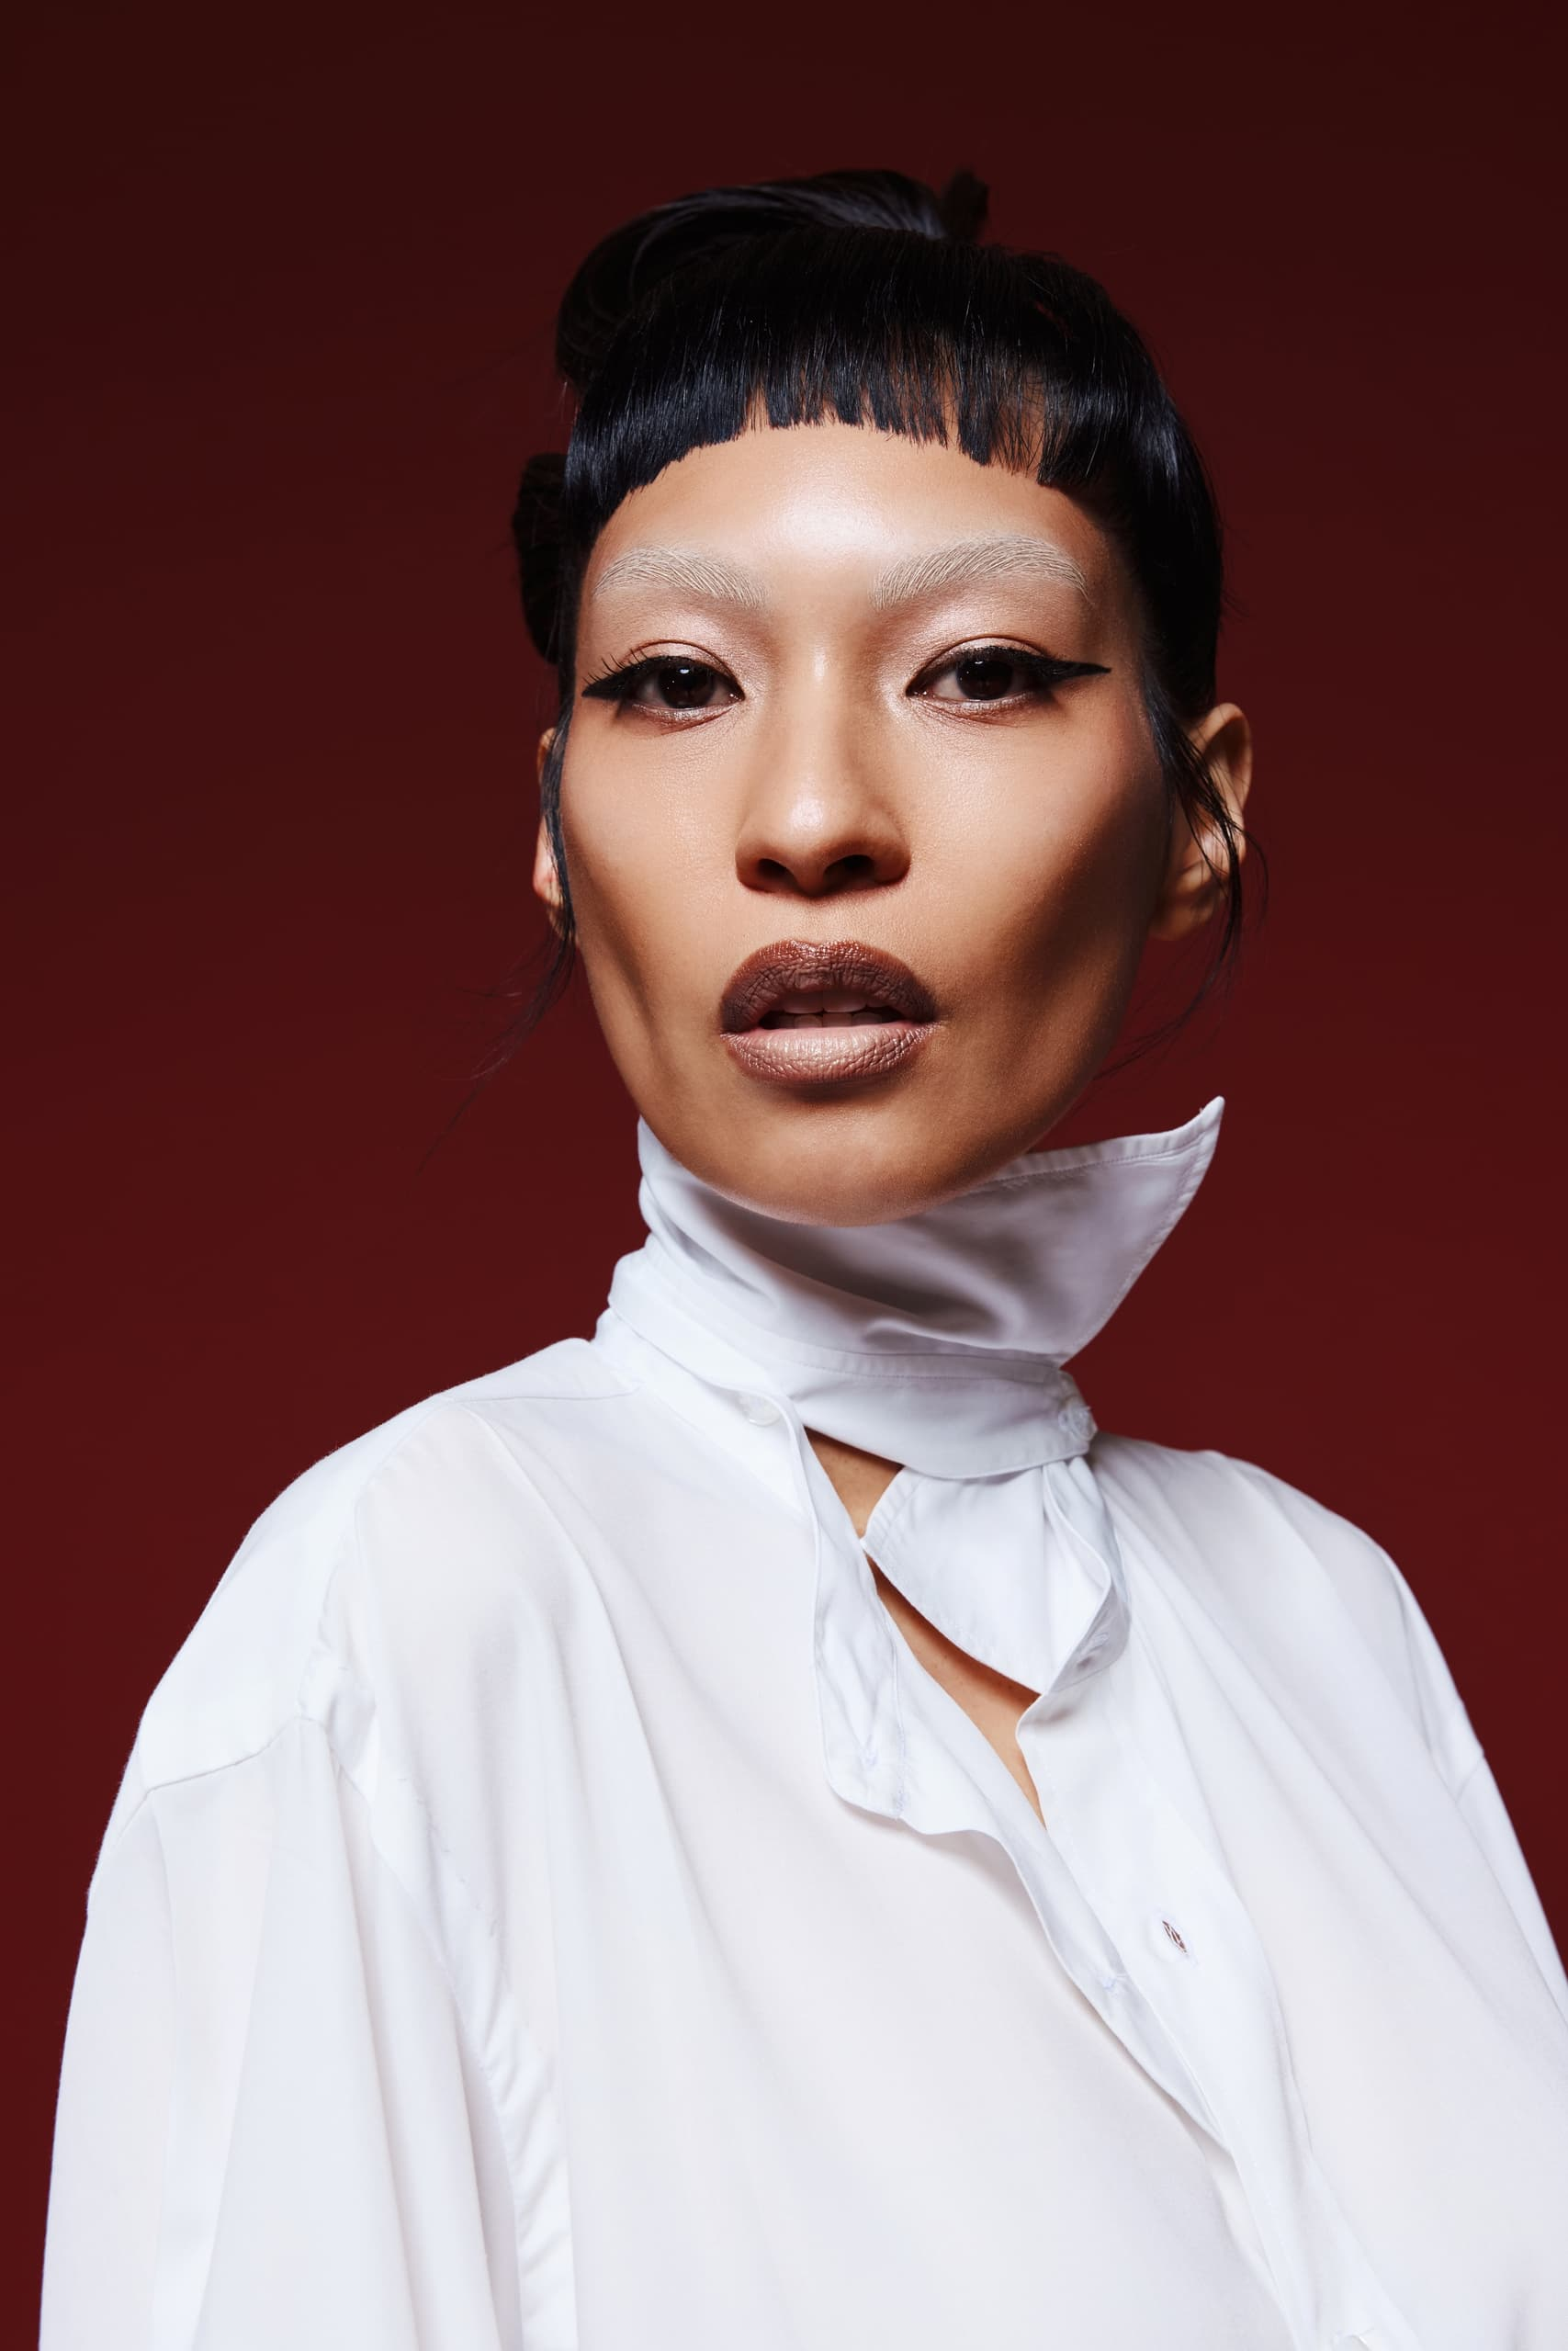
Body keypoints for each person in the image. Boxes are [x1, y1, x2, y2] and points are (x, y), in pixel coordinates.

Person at [41, 167, 1568, 2351]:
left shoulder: (1320, 1613)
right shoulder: (406, 1610)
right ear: (557, 828)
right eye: (675, 681)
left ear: (1198, 815)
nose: (810, 812)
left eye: (976, 670)